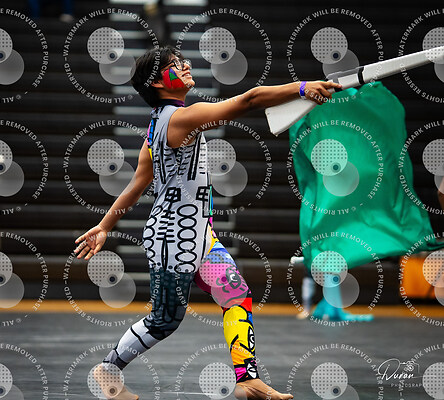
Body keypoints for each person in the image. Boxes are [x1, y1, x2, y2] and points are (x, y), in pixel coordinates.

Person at [74, 45, 340, 400]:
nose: (185, 66)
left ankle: (247, 380)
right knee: (164, 321)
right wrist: (302, 88)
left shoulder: (158, 126)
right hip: (173, 238)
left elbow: (139, 182)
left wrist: (105, 226)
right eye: (174, 65)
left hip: (198, 235)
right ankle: (107, 370)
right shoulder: (181, 118)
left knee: (237, 297)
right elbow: (249, 100)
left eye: (182, 61)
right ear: (158, 83)